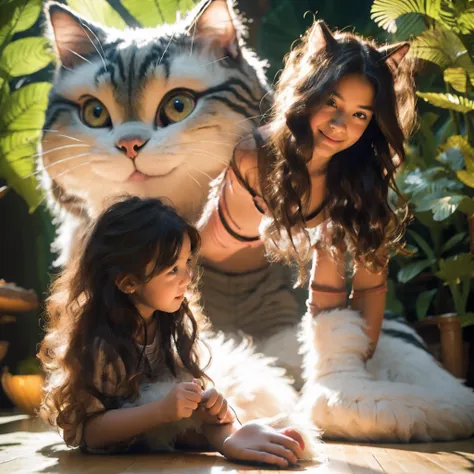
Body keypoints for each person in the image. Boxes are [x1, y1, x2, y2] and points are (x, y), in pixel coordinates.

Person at [198, 20, 416, 359]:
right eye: (332, 102)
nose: (340, 125)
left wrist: (353, 364)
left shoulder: (356, 180)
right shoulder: (257, 156)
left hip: (275, 300)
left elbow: (368, 285)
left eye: (360, 115)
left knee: (336, 240)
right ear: (308, 90)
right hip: (202, 285)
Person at [39, 196, 305, 467]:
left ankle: (241, 437)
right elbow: (91, 434)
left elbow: (182, 407)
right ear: (127, 282)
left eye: (188, 262)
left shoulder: (172, 323)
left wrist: (221, 422)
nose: (188, 277)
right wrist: (162, 411)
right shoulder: (99, 345)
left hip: (157, 431)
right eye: (173, 270)